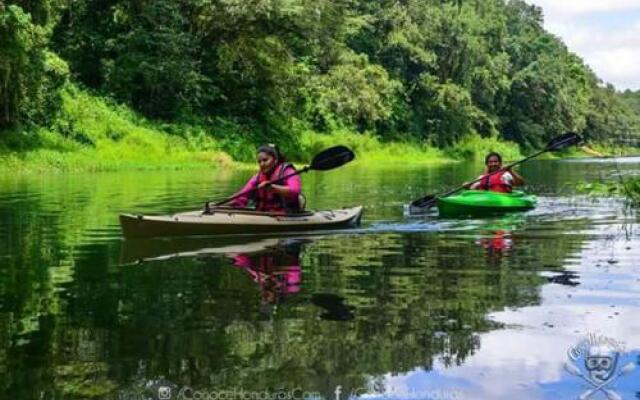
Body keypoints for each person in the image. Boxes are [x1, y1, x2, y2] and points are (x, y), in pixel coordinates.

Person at [227, 144, 303, 213]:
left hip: (285, 215)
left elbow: (295, 191)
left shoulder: (288, 171)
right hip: (262, 215)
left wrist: (273, 187)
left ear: (275, 160)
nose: (262, 164)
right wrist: (233, 201)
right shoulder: (257, 178)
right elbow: (244, 195)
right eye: (259, 162)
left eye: (265, 160)